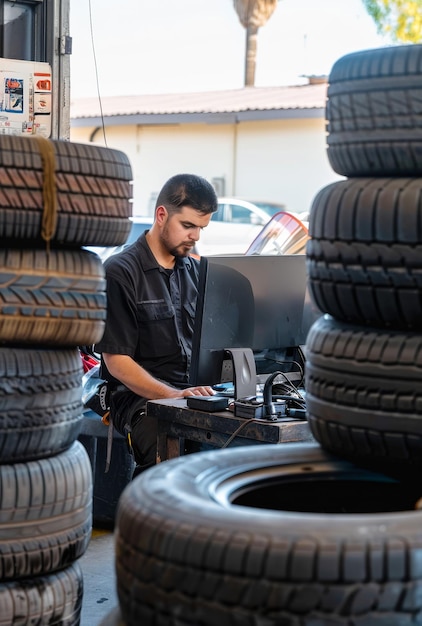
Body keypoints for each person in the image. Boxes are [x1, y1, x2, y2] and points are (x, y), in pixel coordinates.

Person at [95, 173, 217, 477]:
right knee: (166, 454)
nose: (196, 237)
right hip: (137, 397)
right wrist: (174, 396)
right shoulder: (120, 272)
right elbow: (117, 363)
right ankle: (148, 518)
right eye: (188, 226)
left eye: (201, 228)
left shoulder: (199, 273)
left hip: (191, 391)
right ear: (161, 215)